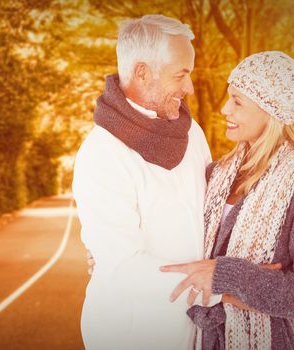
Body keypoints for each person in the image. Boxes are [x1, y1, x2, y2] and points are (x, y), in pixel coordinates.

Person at [160, 51, 294, 349]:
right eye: (229, 97)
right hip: (202, 339)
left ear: (271, 111)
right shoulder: (216, 173)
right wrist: (117, 253)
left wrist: (227, 276)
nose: (224, 108)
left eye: (238, 101)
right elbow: (175, 234)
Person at [72, 15, 219, 350]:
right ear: (142, 72)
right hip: (133, 335)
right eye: (181, 74)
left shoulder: (191, 132)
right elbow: (124, 269)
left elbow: (212, 211)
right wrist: (224, 286)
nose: (190, 88)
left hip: (193, 329)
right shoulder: (102, 153)